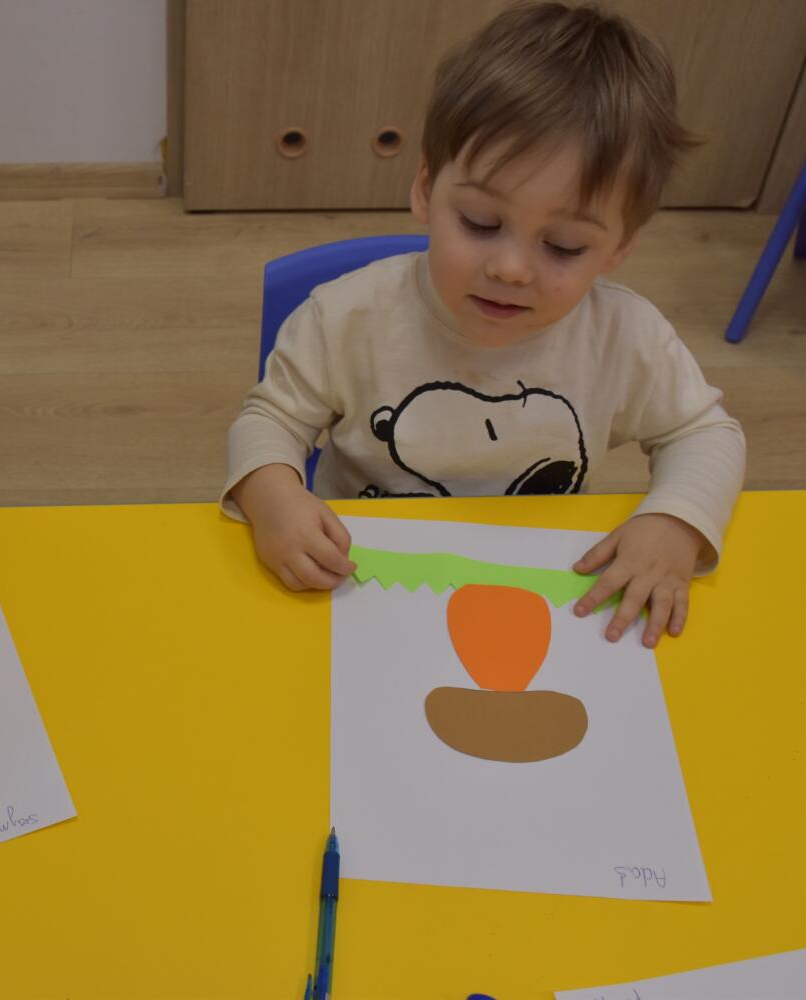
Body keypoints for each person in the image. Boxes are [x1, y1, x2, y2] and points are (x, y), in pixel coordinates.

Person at [223, 2, 745, 649]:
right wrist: (272, 494)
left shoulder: (624, 337)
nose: (511, 269)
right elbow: (268, 419)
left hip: (538, 587)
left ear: (619, 247)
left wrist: (676, 521)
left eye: (564, 246)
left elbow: (705, 433)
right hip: (361, 579)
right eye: (480, 223)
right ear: (426, 188)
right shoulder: (346, 317)